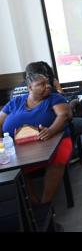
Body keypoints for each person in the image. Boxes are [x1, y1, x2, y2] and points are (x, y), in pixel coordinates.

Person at [0, 72, 73, 205]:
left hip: (56, 141)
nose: (48, 86)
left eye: (47, 83)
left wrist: (51, 131)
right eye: (42, 84)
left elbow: (63, 116)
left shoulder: (54, 98)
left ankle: (46, 203)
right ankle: (33, 205)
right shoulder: (15, 102)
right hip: (19, 147)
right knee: (15, 168)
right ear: (30, 88)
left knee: (58, 160)